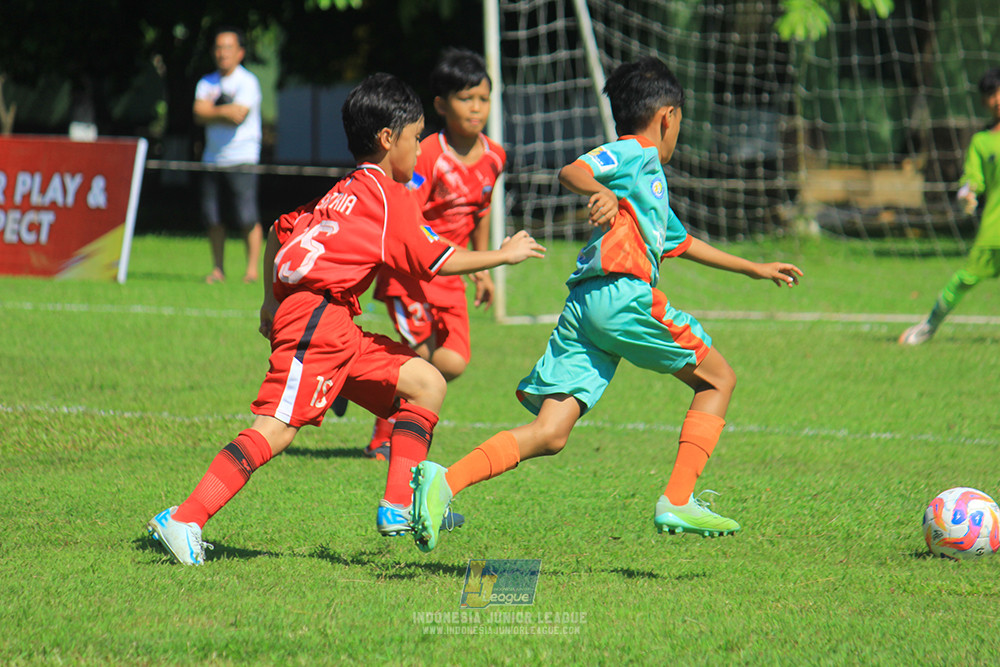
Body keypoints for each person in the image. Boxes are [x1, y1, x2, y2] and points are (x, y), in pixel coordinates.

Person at [146, 73, 545, 565]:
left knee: (427, 382)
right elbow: (434, 258)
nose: (419, 152)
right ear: (387, 139)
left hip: (332, 324)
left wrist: (270, 304)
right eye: (416, 139)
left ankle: (398, 506)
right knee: (274, 427)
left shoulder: (344, 190)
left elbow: (279, 229)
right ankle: (186, 518)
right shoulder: (387, 196)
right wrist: (501, 256)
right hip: (316, 318)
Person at [408, 57, 803, 553]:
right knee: (718, 379)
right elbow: (572, 170)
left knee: (551, 432)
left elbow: (682, 242)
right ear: (668, 117)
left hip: (585, 308)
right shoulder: (636, 155)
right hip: (622, 297)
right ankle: (678, 498)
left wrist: (754, 268)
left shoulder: (648, 183)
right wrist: (602, 194)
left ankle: (444, 481)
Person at [360, 48, 506, 461]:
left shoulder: (495, 156)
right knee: (421, 356)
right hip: (411, 272)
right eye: (466, 98)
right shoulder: (426, 154)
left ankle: (365, 382)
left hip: (452, 273)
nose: (476, 108)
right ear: (441, 105)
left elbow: (481, 209)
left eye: (483, 98)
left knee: (455, 362)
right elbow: (407, 212)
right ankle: (384, 436)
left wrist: (482, 267)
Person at [899, 68, 1000, 345]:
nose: (997, 98)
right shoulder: (982, 142)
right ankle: (929, 326)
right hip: (995, 230)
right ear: (984, 102)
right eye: (991, 94)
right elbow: (972, 180)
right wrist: (967, 194)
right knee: (964, 279)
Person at [193, 26, 264, 285]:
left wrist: (211, 110)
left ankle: (252, 271)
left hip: (242, 158)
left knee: (247, 217)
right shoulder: (206, 82)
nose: (222, 53)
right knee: (213, 218)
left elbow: (239, 116)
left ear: (240, 52)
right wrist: (222, 111)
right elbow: (198, 114)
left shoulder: (249, 82)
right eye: (219, 48)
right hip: (212, 159)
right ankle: (218, 269)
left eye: (228, 48)